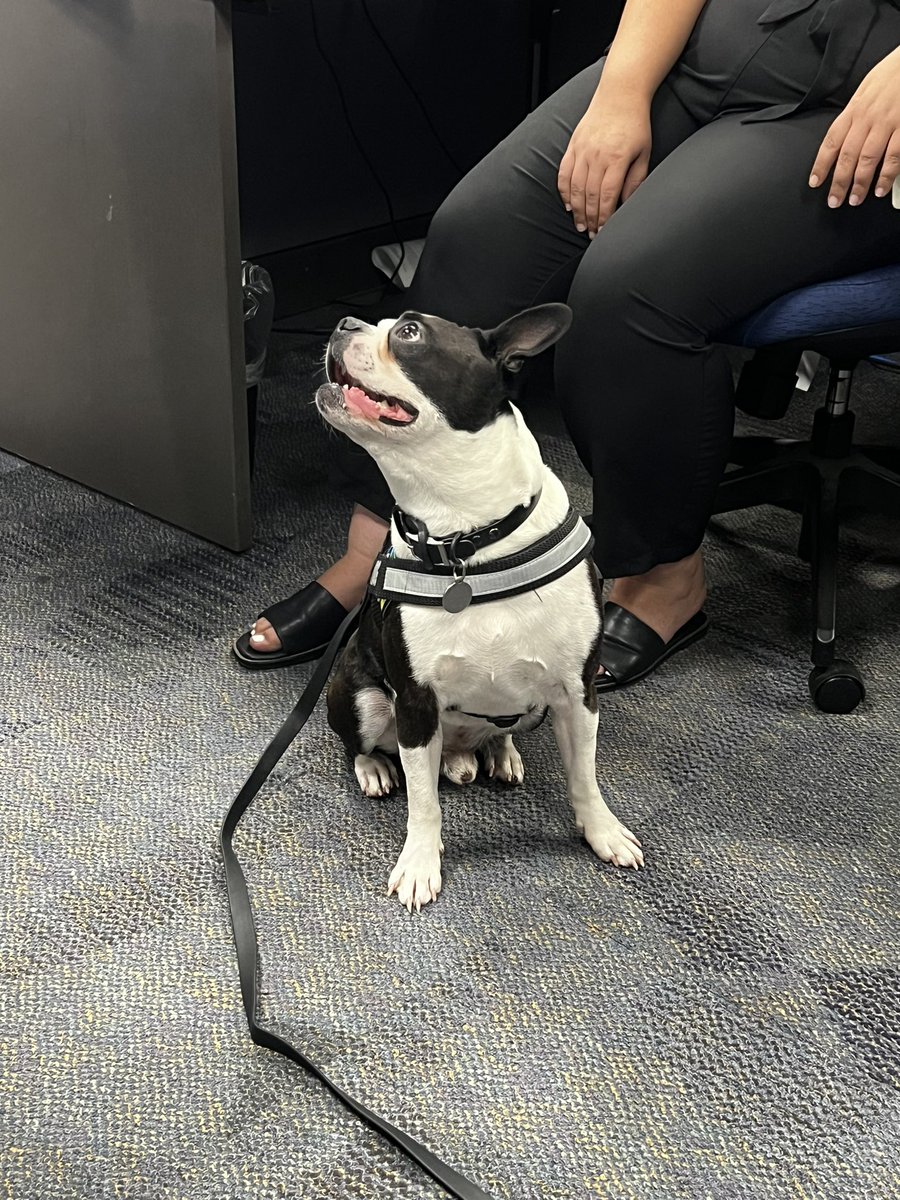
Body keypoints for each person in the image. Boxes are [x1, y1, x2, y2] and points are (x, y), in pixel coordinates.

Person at [233, 0, 900, 687]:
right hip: (723, 34)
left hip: (867, 98)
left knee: (630, 291)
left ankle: (663, 578)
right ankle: (381, 549)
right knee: (476, 237)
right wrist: (622, 93)